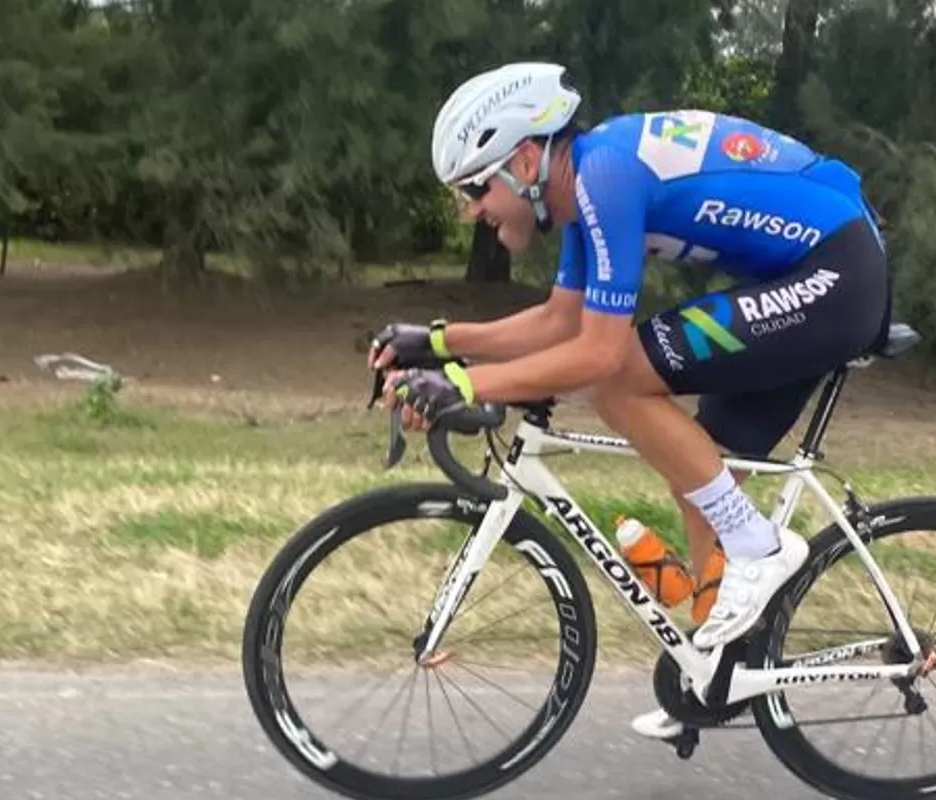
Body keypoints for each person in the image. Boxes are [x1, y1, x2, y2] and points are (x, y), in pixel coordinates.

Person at [370, 62, 892, 740]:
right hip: (804, 275)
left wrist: (466, 384)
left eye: (475, 187)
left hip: (833, 272)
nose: (472, 209)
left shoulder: (604, 177)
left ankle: (759, 549)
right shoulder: (584, 183)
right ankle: (719, 671)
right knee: (702, 470)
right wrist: (440, 342)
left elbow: (597, 354)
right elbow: (562, 321)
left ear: (525, 158)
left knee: (621, 380)